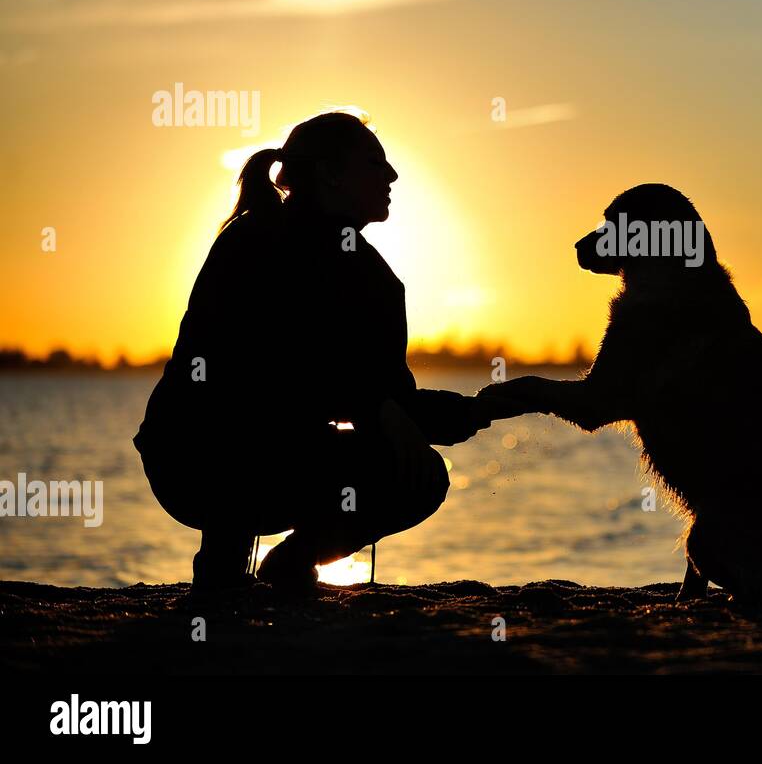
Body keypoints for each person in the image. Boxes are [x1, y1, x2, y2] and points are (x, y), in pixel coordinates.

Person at [134, 110, 511, 590]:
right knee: (253, 423)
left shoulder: (369, 275)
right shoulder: (257, 242)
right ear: (331, 175)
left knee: (421, 472)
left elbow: (392, 399)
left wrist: (480, 409)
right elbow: (259, 371)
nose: (392, 175)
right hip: (197, 459)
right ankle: (233, 564)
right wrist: (378, 409)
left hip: (217, 460)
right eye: (376, 163)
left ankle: (280, 565)